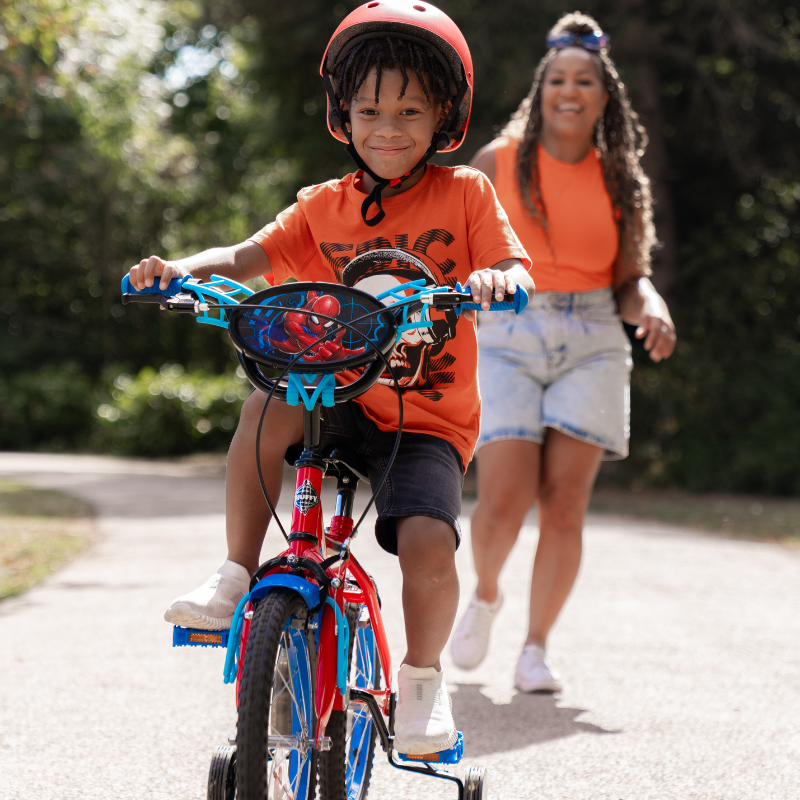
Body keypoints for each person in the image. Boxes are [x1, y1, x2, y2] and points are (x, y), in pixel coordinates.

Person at [126, 1, 534, 754]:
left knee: (427, 542)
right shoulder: (321, 206)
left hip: (427, 418)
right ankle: (233, 575)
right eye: (369, 108)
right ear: (340, 114)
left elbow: (510, 263)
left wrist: (498, 281)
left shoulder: (465, 195)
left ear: (446, 114)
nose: (388, 126)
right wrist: (179, 270)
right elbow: (246, 257)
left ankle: (420, 684)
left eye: (411, 109)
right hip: (336, 394)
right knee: (266, 400)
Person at [450, 12, 676, 692]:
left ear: (606, 96)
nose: (569, 92)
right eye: (557, 80)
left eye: (584, 81)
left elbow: (629, 279)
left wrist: (652, 304)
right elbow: (455, 246)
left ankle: (535, 649)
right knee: (500, 502)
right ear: (539, 90)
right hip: (509, 335)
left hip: (595, 341)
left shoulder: (621, 179)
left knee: (565, 502)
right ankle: (486, 593)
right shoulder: (497, 161)